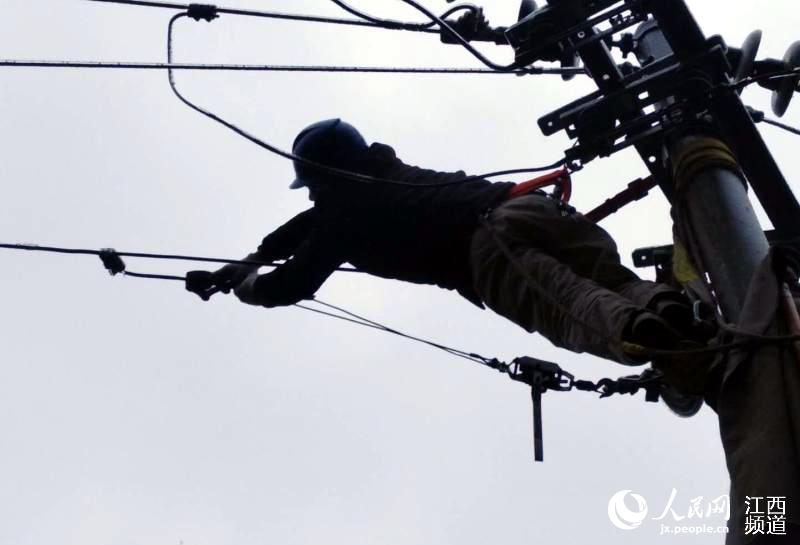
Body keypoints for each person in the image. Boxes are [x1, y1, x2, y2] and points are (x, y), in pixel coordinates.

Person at [192, 118, 694, 365]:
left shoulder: (344, 215)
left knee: (569, 305)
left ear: (322, 177)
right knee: (610, 279)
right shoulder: (384, 173)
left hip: (488, 248)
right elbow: (304, 227)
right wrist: (251, 257)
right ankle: (668, 309)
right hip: (533, 209)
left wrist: (250, 285)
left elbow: (294, 281)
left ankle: (651, 336)